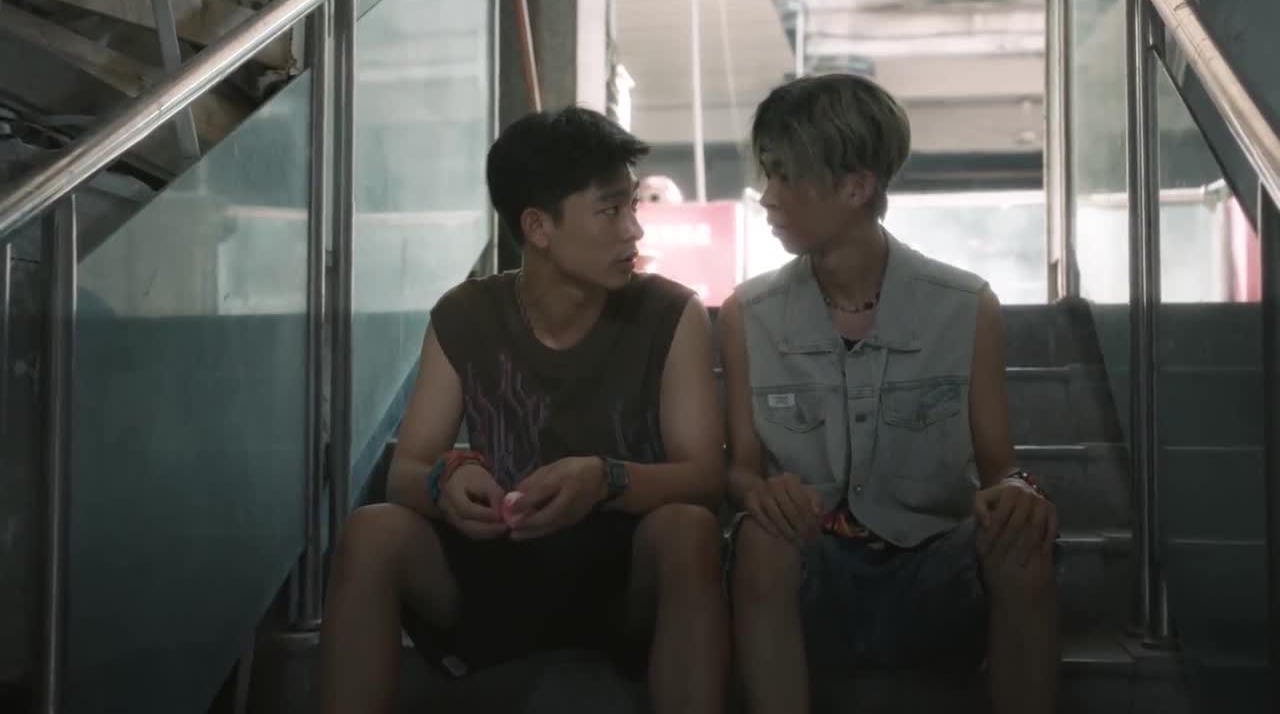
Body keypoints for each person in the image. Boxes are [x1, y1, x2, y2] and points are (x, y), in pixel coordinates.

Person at [321, 106, 729, 714]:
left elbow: (705, 479)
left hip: (620, 579)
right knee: (371, 530)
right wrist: (450, 480)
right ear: (538, 226)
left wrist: (606, 479)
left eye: (632, 207)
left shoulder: (671, 314)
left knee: (689, 530)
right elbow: (408, 471)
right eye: (610, 210)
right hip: (495, 569)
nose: (633, 231)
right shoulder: (466, 314)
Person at [722, 74, 1060, 714]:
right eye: (767, 174)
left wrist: (1019, 492)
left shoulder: (966, 306)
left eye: (785, 176)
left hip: (932, 568)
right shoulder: (749, 313)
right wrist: (759, 493)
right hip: (814, 570)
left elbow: (1000, 467)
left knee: (1020, 540)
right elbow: (740, 467)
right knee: (761, 540)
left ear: (856, 187)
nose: (767, 197)